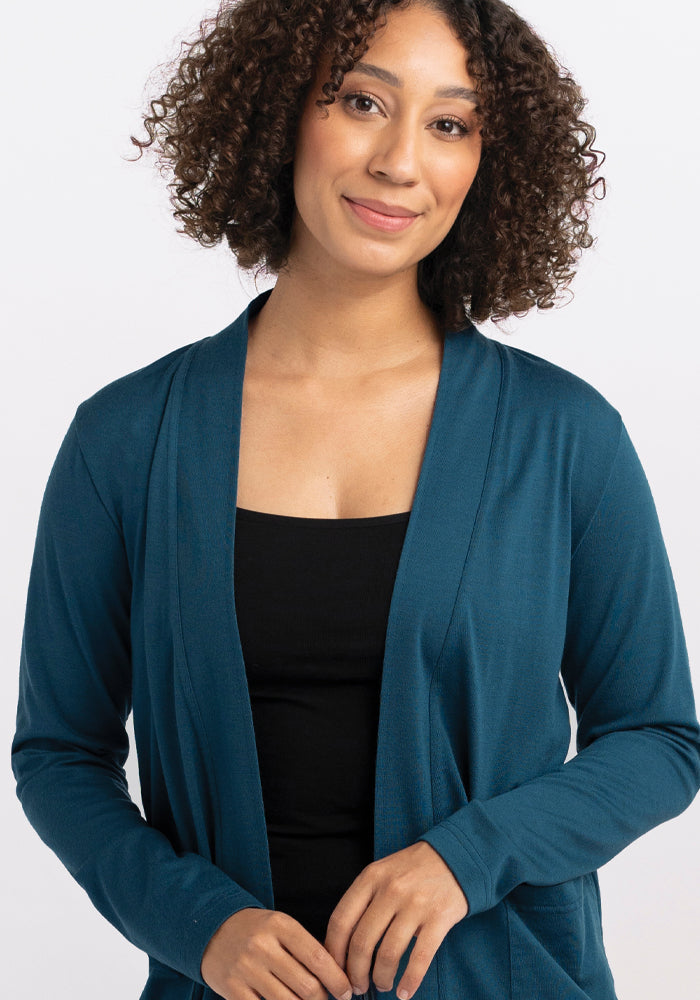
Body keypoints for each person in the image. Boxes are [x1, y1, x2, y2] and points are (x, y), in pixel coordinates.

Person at [10, 1, 700, 999]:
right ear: (280, 112)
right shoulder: (128, 439)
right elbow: (58, 752)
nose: (398, 161)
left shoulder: (562, 435)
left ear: (486, 162)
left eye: (449, 123)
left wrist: (469, 856)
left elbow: (658, 738)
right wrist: (200, 924)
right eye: (362, 101)